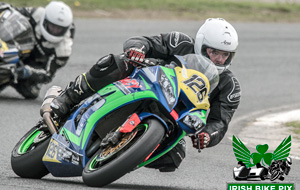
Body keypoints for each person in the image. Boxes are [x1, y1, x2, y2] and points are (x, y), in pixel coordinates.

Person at [50, 18, 241, 172]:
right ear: (201, 44)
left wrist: (207, 135)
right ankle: (69, 97)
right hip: (146, 84)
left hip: (176, 117)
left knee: (174, 157)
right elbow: (145, 42)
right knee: (116, 62)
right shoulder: (180, 43)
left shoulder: (228, 85)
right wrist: (137, 50)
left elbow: (220, 122)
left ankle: (122, 156)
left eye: (226, 55)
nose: (219, 59)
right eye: (214, 52)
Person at [0, 1, 75, 99]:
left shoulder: (63, 50)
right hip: (14, 46)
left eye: (59, 29)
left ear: (65, 29)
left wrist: (26, 71)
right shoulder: (37, 14)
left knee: (31, 92)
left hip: (31, 65)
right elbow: (13, 13)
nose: (55, 31)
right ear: (45, 20)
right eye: (52, 26)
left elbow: (47, 74)